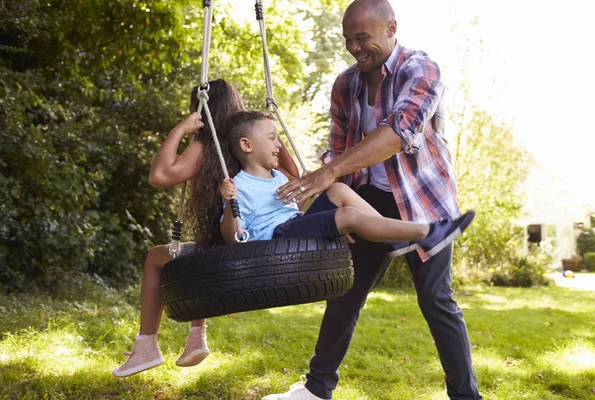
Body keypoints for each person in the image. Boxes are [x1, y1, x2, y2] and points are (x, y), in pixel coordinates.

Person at [264, 0, 483, 399]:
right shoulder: (346, 84)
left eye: (362, 38)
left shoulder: (420, 69)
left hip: (422, 206)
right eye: (348, 39)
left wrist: (330, 172)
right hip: (367, 203)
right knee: (344, 295)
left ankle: (466, 397)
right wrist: (328, 200)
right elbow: (335, 151)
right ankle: (316, 390)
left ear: (391, 28)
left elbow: (399, 133)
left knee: (436, 300)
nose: (354, 47)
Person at [112, 80, 299, 378]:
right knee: (198, 252)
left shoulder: (205, 147)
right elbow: (294, 174)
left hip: (226, 254)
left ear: (199, 109)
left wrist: (181, 129)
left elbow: (160, 176)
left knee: (157, 257)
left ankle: (147, 346)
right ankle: (196, 337)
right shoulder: (248, 144)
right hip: (252, 248)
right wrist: (273, 136)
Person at [218, 110, 474, 262]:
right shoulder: (238, 186)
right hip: (275, 242)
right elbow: (233, 237)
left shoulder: (279, 178)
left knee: (338, 190)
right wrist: (231, 204)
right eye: (272, 139)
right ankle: (426, 233)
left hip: (293, 226)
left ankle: (395, 240)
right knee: (348, 216)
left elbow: (290, 210)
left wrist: (307, 195)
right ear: (246, 145)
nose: (278, 145)